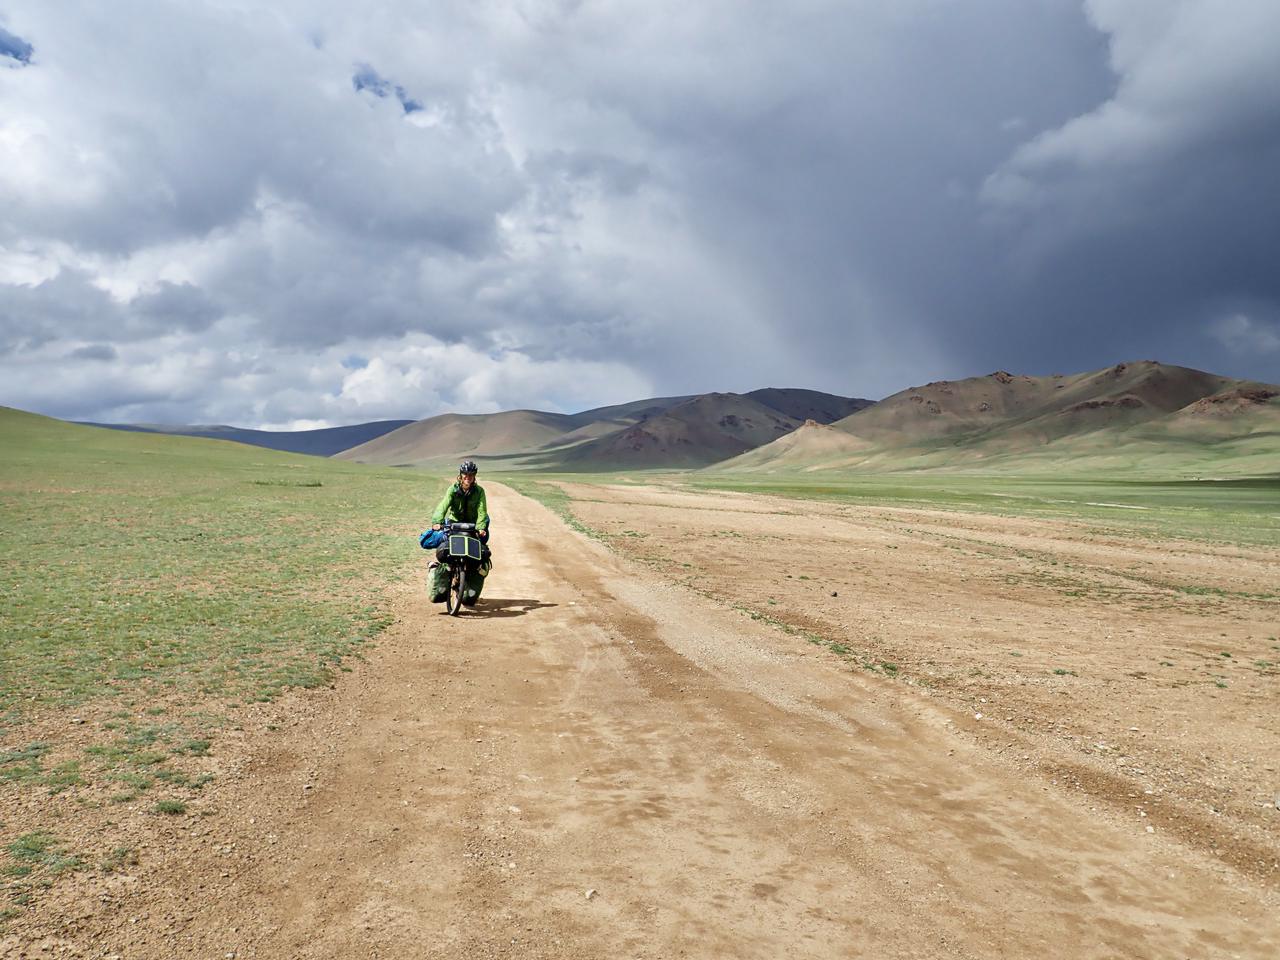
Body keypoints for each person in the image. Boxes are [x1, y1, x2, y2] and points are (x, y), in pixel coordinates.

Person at [428, 461, 492, 599]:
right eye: (465, 474)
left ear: (474, 476)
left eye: (471, 474)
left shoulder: (479, 491)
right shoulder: (453, 489)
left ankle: (473, 572)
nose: (468, 477)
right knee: (446, 544)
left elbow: (482, 511)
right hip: (454, 522)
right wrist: (437, 521)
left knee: (482, 546)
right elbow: (443, 505)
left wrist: (481, 528)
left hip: (473, 524)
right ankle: (447, 569)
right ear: (460, 475)